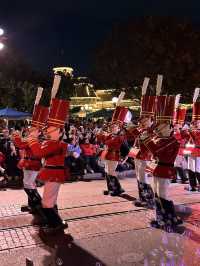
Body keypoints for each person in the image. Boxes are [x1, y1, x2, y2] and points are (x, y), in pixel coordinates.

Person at [27, 98, 69, 233]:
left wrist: (32, 139)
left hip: (54, 174)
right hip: (52, 173)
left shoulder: (57, 143)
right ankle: (53, 221)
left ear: (60, 131)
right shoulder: (53, 142)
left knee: (47, 202)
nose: (48, 130)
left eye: (51, 128)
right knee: (50, 200)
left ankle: (55, 224)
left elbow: (39, 153)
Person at [141, 95, 182, 232]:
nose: (158, 128)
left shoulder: (172, 141)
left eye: (162, 125)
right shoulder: (162, 139)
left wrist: (147, 140)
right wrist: (148, 136)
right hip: (158, 168)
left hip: (165, 169)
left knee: (162, 195)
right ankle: (165, 218)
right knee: (158, 194)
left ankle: (167, 219)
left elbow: (158, 152)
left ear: (169, 127)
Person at [12, 105, 49, 213]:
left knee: (29, 184)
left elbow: (21, 144)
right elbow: (20, 144)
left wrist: (18, 135)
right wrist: (18, 136)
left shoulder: (35, 140)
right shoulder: (32, 139)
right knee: (28, 183)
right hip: (28, 163)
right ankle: (33, 204)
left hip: (33, 164)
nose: (29, 131)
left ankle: (37, 202)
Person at [127, 95, 155, 208]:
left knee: (143, 177)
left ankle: (149, 198)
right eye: (142, 119)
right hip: (138, 155)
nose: (142, 121)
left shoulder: (153, 130)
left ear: (151, 119)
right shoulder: (142, 129)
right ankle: (143, 197)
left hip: (146, 157)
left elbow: (151, 144)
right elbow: (131, 134)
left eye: (145, 119)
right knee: (139, 177)